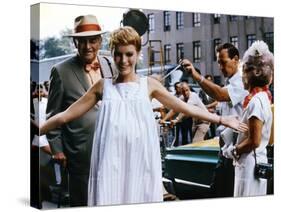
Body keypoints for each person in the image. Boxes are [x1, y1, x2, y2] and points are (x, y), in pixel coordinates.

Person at [40, 27, 247, 206]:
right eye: (118, 54)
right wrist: (36, 130)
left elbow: (186, 108)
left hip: (141, 160)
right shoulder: (103, 86)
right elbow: (65, 115)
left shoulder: (148, 85)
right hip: (110, 161)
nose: (123, 60)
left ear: (137, 53)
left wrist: (222, 119)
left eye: (129, 54)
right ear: (112, 54)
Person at [45, 15, 115, 207]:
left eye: (92, 40)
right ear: (75, 42)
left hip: (112, 148)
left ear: (100, 41)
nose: (87, 46)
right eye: (82, 41)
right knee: (82, 202)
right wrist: (57, 150)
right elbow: (52, 114)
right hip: (79, 153)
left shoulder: (110, 64)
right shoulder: (60, 71)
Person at [181, 43, 249, 197]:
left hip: (235, 152)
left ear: (236, 59)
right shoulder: (232, 82)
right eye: (218, 62)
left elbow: (219, 94)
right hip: (226, 150)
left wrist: (196, 75)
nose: (220, 67)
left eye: (223, 62)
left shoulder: (241, 82)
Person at [222, 41, 273, 196]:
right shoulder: (262, 97)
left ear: (254, 73)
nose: (242, 76)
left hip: (249, 165)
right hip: (254, 163)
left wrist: (233, 150)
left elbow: (254, 141)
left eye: (243, 71)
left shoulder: (256, 102)